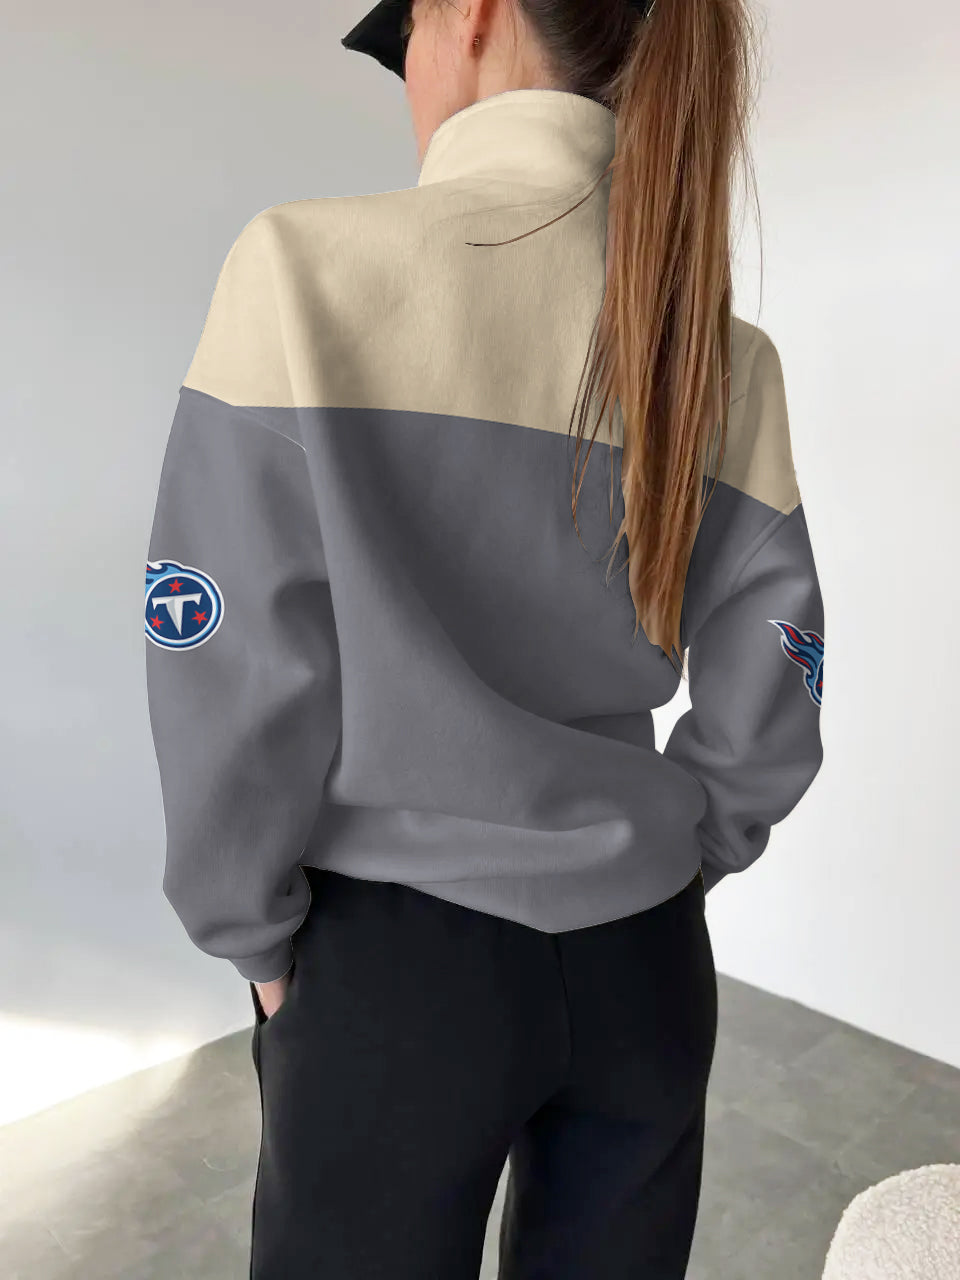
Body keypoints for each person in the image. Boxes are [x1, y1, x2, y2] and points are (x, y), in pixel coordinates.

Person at [143, 0, 825, 1275]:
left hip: (392, 974)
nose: (405, 72)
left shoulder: (300, 269)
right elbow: (778, 670)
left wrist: (252, 937)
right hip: (646, 960)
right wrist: (679, 856)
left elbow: (224, 661)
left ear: (468, 13)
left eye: (401, 36)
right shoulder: (720, 350)